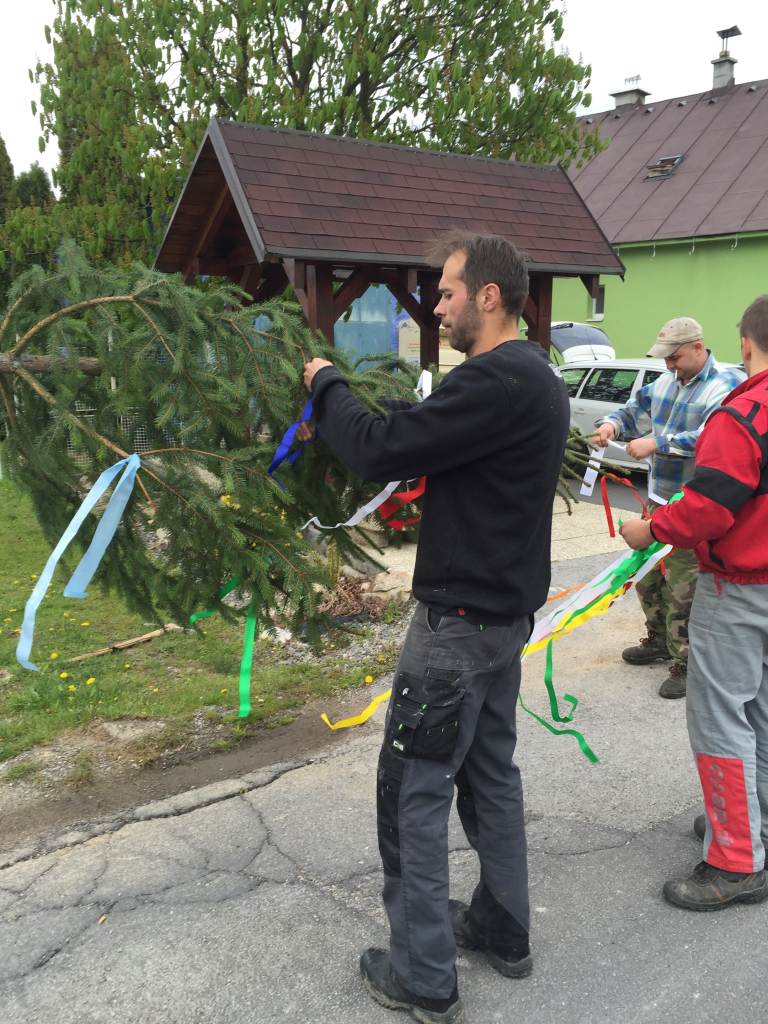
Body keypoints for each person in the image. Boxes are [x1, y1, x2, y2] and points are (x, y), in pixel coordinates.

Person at [302, 232, 569, 1023]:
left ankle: (423, 977)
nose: (436, 305)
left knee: (411, 792)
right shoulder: (533, 377)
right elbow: (427, 433)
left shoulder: (493, 379)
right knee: (489, 776)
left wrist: (326, 385)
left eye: (447, 291)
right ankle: (504, 929)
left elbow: (383, 449)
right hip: (501, 622)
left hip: (456, 632)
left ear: (489, 296)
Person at [620, 295, 768, 911]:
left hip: (741, 588)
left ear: (744, 343)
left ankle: (735, 861)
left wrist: (650, 530)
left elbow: (707, 509)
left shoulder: (744, 414)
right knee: (760, 713)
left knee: (719, 720)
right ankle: (754, 827)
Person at [592, 319, 744, 699]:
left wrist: (658, 443)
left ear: (698, 347)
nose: (669, 365)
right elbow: (632, 409)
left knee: (683, 587)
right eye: (665, 359)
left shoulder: (725, 386)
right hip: (656, 500)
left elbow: (711, 437)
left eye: (674, 357)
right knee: (646, 577)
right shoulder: (664, 382)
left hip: (691, 504)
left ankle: (687, 663)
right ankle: (659, 639)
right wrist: (611, 425)